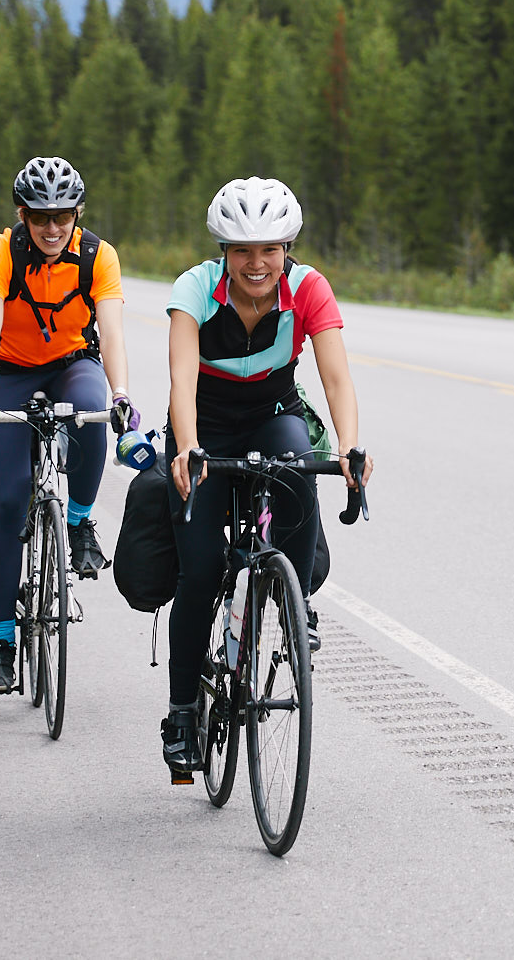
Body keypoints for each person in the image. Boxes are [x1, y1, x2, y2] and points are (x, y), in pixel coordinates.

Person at [158, 176, 369, 778]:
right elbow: (182, 381)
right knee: (199, 570)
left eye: (269, 249)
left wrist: (350, 448)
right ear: (223, 251)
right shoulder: (195, 290)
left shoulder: (308, 288)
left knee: (299, 462)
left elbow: (335, 378)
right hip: (204, 422)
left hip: (272, 412)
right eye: (243, 251)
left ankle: (293, 601)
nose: (257, 264)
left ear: (287, 248)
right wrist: (190, 448)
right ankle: (180, 714)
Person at [0, 157, 139, 696]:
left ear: (78, 214)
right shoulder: (1, 252)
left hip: (71, 363)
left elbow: (111, 332)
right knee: (9, 502)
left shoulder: (96, 255)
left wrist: (123, 394)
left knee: (92, 409)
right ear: (23, 216)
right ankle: (1, 645)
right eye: (40, 218)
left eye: (63, 216)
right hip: (11, 371)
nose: (53, 228)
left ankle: (80, 521)